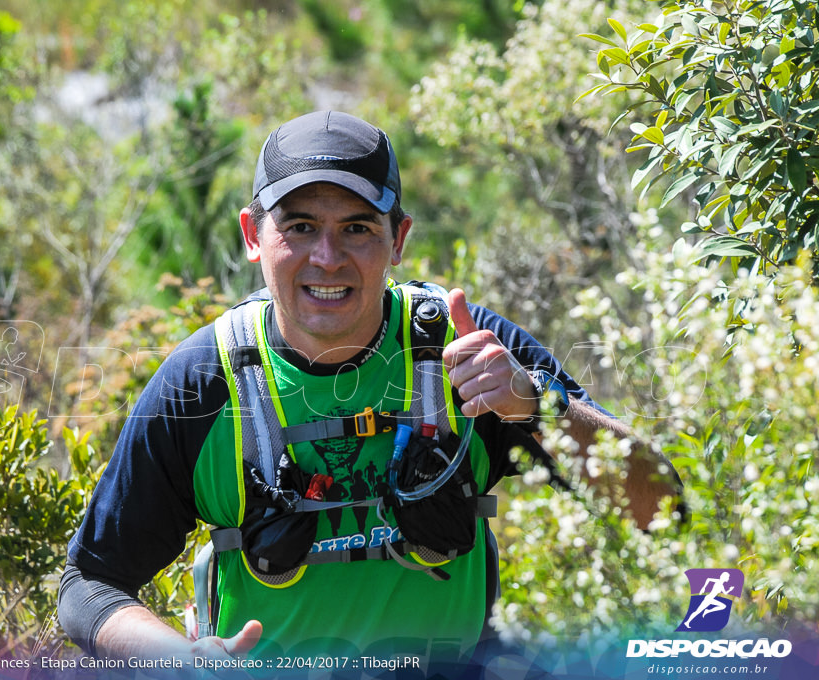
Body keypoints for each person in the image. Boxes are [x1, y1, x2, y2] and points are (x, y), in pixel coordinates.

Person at [58, 111, 681, 674]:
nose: (327, 258)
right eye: (299, 227)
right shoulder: (207, 378)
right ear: (253, 235)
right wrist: (179, 659)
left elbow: (664, 510)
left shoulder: (467, 349)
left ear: (399, 238)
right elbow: (90, 585)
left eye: (357, 228)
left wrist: (536, 405)